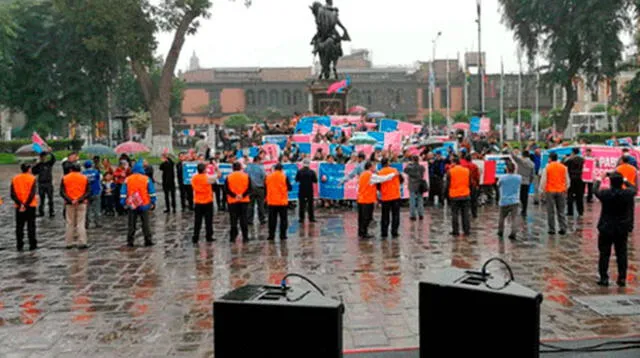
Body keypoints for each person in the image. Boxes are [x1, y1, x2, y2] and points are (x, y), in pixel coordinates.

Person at [594, 172, 636, 287]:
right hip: (621, 228)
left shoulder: (605, 194)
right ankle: (622, 278)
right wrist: (625, 180)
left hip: (606, 227)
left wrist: (599, 179)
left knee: (604, 254)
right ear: (621, 183)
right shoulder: (627, 194)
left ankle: (604, 278)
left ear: (610, 182)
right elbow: (633, 188)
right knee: (622, 254)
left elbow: (595, 190)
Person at [121, 160, 157, 247]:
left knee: (131, 223)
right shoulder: (146, 179)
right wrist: (153, 201)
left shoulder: (127, 179)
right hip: (144, 204)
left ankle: (130, 240)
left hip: (132, 203)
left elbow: (123, 192)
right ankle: (148, 240)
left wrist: (123, 202)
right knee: (145, 223)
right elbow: (151, 191)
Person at [357, 162, 397, 239]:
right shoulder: (370, 175)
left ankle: (361, 232)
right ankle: (364, 233)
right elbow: (383, 179)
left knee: (361, 218)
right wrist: (393, 174)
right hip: (367, 200)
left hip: (361, 199)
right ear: (370, 167)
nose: (375, 168)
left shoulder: (363, 174)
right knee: (366, 217)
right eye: (374, 166)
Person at [60, 164, 91, 249]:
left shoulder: (65, 178)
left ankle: (69, 243)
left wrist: (71, 200)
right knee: (81, 223)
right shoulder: (84, 178)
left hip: (69, 203)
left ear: (71, 169)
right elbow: (88, 191)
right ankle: (82, 242)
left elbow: (62, 192)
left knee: (69, 223)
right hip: (81, 203)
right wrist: (79, 199)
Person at [539, 152, 569, 235]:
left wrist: (542, 191)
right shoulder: (563, 168)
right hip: (561, 191)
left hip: (550, 191)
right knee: (561, 211)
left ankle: (552, 229)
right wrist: (565, 188)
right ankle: (563, 228)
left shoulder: (547, 167)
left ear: (550, 159)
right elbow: (567, 180)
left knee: (550, 211)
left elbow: (543, 180)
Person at [10, 163, 38, 251]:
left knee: (19, 226)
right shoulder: (32, 178)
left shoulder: (15, 179)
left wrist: (20, 204)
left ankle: (19, 244)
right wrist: (25, 204)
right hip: (30, 205)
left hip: (18, 206)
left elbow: (12, 194)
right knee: (31, 226)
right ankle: (32, 244)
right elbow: (32, 193)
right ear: (29, 169)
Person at [190, 163, 219, 243]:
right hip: (207, 201)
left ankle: (195, 237)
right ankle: (209, 236)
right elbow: (219, 175)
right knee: (208, 220)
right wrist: (216, 168)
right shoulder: (207, 178)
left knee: (197, 221)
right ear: (204, 170)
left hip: (198, 201)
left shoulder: (194, 178)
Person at [226, 162, 252, 242]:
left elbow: (226, 189)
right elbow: (250, 188)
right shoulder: (246, 176)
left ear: (232, 168)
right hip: (244, 200)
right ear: (240, 167)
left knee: (233, 219)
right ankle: (245, 237)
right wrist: (242, 195)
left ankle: (232, 237)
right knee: (243, 218)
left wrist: (234, 196)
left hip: (232, 201)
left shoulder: (229, 177)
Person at [445, 157, 472, 236]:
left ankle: (455, 231)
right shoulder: (467, 171)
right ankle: (466, 230)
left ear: (454, 162)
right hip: (465, 195)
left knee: (455, 214)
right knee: (466, 214)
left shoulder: (450, 171)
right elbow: (470, 182)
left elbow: (447, 185)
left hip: (454, 195)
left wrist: (445, 195)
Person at [265, 163, 292, 241]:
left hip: (271, 201)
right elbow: (289, 188)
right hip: (282, 202)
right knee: (283, 219)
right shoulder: (284, 177)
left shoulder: (268, 177)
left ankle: (271, 235)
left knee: (272, 220)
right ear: (281, 169)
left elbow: (265, 187)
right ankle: (283, 235)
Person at [377, 158, 403, 238]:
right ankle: (394, 232)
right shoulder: (395, 171)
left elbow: (378, 185)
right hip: (395, 196)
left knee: (385, 216)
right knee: (395, 215)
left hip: (385, 197)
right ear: (388, 163)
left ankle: (384, 232)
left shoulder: (380, 173)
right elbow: (402, 180)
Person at [497, 163, 522, 240]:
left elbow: (498, 184)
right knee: (514, 218)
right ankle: (513, 232)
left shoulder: (502, 177)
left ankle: (500, 231)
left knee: (502, 217)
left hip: (504, 200)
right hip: (515, 200)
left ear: (507, 169)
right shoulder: (518, 177)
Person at [616, 155, 639, 233]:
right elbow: (636, 180)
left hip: (620, 190)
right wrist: (636, 189)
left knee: (620, 209)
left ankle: (620, 225)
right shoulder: (634, 169)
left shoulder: (618, 169)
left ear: (622, 160)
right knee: (630, 210)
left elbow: (615, 180)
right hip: (630, 190)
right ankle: (630, 227)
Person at [32, 151, 56, 217]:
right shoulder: (39, 165)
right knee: (41, 199)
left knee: (50, 199)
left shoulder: (49, 163)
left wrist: (51, 152)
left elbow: (54, 159)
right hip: (41, 184)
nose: (43, 158)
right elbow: (34, 172)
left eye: (44, 156)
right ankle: (41, 212)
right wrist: (35, 164)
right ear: (40, 157)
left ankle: (51, 212)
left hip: (48, 183)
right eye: (42, 157)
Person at [512, 149, 535, 217]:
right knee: (525, 196)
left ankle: (519, 207)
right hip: (527, 181)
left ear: (523, 155)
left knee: (519, 195)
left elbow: (513, 156)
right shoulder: (532, 164)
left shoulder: (521, 161)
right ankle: (524, 210)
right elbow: (532, 175)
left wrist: (511, 149)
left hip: (519, 181)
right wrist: (530, 181)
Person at [563, 147, 585, 217]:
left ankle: (570, 211)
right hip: (579, 178)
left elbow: (564, 164)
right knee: (579, 196)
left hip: (571, 178)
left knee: (570, 195)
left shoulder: (570, 160)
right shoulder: (582, 159)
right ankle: (580, 211)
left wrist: (566, 158)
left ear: (572, 152)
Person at [245, 154, 266, 225]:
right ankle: (262, 219)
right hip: (260, 188)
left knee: (250, 204)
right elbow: (264, 176)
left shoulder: (248, 167)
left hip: (250, 188)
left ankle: (249, 219)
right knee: (261, 204)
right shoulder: (261, 167)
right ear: (258, 160)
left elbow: (245, 176)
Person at [404, 156, 426, 221]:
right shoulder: (421, 167)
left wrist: (408, 164)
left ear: (413, 160)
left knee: (412, 201)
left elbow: (405, 170)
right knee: (420, 200)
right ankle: (421, 214)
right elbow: (423, 171)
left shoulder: (410, 167)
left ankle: (412, 215)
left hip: (412, 185)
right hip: (420, 185)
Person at [295, 159, 318, 223]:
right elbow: (315, 181)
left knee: (301, 205)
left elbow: (296, 180)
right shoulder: (312, 172)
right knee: (310, 205)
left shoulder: (299, 171)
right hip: (309, 190)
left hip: (302, 190)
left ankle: (301, 218)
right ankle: (311, 218)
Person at [83, 161, 102, 229]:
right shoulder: (96, 172)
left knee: (87, 209)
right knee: (97, 209)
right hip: (96, 191)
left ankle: (87, 223)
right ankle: (97, 223)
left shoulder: (83, 173)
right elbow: (100, 179)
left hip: (86, 193)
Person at [461, 154, 480, 218]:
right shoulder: (474, 166)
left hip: (464, 185)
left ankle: (465, 213)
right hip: (473, 184)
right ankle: (474, 214)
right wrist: (477, 184)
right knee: (474, 200)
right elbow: (477, 176)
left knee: (465, 201)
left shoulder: (462, 166)